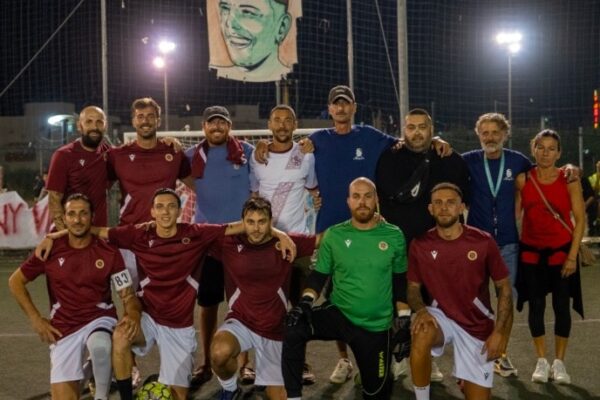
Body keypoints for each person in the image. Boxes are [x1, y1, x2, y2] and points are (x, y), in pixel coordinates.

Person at [36, 188, 295, 399]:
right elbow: (97, 231)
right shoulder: (139, 234)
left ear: (180, 211)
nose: (165, 211)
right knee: (120, 336)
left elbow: (239, 226)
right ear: (152, 211)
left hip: (179, 327)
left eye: (171, 206)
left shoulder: (195, 234)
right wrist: (56, 235)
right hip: (148, 317)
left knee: (176, 396)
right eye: (159, 207)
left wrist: (278, 232)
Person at [282, 177, 409, 400]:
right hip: (340, 315)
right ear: (348, 201)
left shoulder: (394, 235)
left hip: (376, 327)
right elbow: (319, 276)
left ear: (376, 200)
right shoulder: (335, 235)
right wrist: (305, 303)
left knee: (377, 394)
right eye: (356, 196)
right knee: (294, 327)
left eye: (368, 196)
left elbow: (400, 282)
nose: (362, 202)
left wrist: (404, 319)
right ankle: (293, 397)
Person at [8, 194, 142, 400]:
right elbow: (15, 281)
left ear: (92, 217)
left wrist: (132, 313)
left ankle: (101, 396)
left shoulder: (108, 252)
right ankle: (88, 370)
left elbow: (127, 294)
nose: (77, 219)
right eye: (71, 214)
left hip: (99, 318)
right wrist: (36, 319)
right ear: (64, 218)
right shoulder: (50, 249)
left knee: (100, 346)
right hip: (64, 327)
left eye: (83, 213)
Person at [376, 107, 469, 381]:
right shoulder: (389, 157)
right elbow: (381, 198)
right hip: (397, 246)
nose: (416, 132)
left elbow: (464, 202)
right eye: (411, 127)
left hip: (436, 249)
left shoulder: (449, 159)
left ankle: (426, 355)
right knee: (396, 302)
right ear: (403, 130)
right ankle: (398, 356)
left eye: (422, 127)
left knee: (430, 303)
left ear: (432, 129)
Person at [407, 183, 513, 400]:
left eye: (450, 202)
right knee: (422, 330)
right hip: (441, 316)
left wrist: (501, 333)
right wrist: (421, 310)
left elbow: (504, 287)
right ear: (430, 209)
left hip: (476, 326)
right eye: (438, 203)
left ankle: (466, 377)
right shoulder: (420, 245)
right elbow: (413, 289)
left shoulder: (483, 241)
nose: (444, 207)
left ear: (461, 207)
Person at [210, 197, 317, 400]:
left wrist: (361, 225)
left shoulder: (287, 243)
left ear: (270, 222)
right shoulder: (228, 243)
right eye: (250, 222)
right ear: (242, 222)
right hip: (241, 321)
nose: (256, 228)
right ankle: (230, 389)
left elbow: (323, 239)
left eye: (262, 222)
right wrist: (278, 232)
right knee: (219, 353)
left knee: (280, 397)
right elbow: (197, 234)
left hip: (274, 328)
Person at [185, 105, 256, 387]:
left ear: (229, 126)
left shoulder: (248, 152)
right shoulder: (192, 155)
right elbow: (174, 170)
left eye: (222, 123)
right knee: (208, 304)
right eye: (211, 123)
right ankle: (205, 362)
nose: (217, 127)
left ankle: (245, 364)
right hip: (209, 242)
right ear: (203, 127)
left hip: (241, 241)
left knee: (245, 302)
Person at [249, 104, 320, 384]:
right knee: (265, 306)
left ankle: (299, 362)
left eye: (287, 120)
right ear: (269, 124)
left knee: (299, 306)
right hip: (265, 243)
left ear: (295, 124)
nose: (281, 124)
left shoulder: (305, 155)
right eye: (276, 119)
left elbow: (314, 190)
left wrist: (318, 200)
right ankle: (262, 363)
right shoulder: (256, 156)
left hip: (297, 243)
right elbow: (253, 196)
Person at [462, 113, 531, 377]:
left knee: (505, 299)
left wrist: (570, 169)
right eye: (485, 133)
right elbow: (440, 165)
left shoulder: (517, 160)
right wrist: (436, 141)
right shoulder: (468, 160)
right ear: (478, 135)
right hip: (476, 244)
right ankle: (477, 348)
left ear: (505, 134)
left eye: (495, 132)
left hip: (507, 243)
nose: (490, 137)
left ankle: (501, 353)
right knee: (475, 300)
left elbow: (545, 174)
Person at [515, 130, 585, 385]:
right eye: (541, 147)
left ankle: (559, 363)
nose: (546, 153)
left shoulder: (569, 180)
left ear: (559, 153)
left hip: (561, 252)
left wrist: (572, 257)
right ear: (533, 149)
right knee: (536, 306)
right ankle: (542, 361)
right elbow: (515, 215)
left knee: (561, 306)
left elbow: (580, 220)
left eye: (551, 148)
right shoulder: (523, 179)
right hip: (531, 252)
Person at [46, 106, 112, 228]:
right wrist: (66, 233)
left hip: (98, 231)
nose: (94, 127)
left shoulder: (110, 154)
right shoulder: (63, 155)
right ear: (79, 126)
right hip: (72, 231)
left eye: (99, 122)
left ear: (105, 126)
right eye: (88, 122)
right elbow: (54, 200)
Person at [213, 0, 294, 82]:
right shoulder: (216, 79)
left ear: (281, 27)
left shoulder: (290, 80)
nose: (230, 24)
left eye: (247, 12)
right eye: (225, 8)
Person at [587, 161, 600, 235]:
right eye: (598, 166)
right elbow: (594, 190)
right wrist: (598, 175)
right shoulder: (592, 177)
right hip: (596, 197)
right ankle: (597, 222)